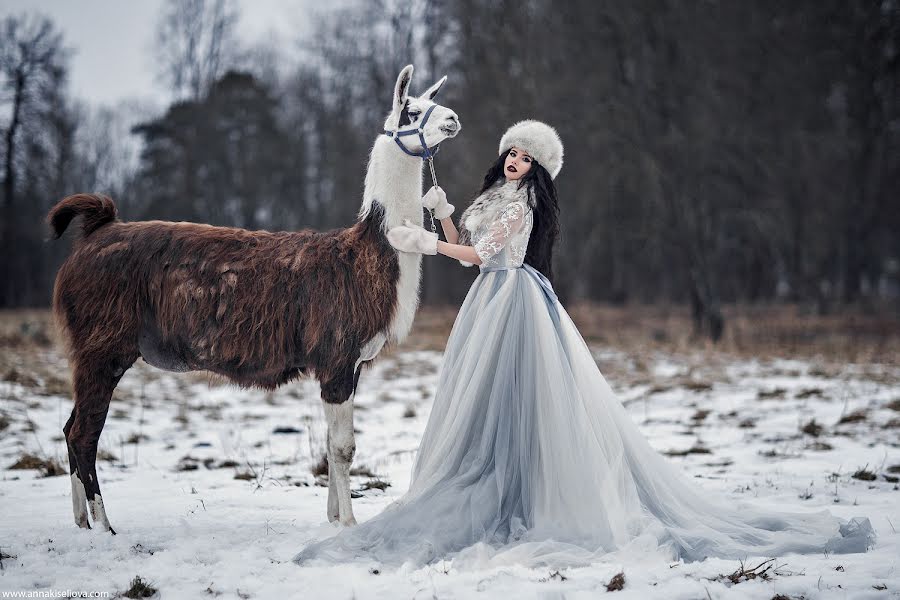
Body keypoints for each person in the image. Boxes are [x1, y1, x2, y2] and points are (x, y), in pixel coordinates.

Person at [294, 120, 875, 569]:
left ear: (540, 170)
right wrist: (445, 217)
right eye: (513, 153)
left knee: (519, 399)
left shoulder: (522, 207)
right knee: (484, 406)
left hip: (513, 306)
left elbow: (483, 258)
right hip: (487, 304)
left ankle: (522, 491)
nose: (516, 163)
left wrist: (424, 241)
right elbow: (469, 245)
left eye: (527, 158)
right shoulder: (496, 195)